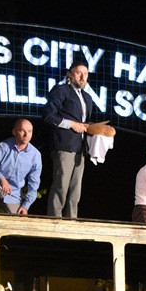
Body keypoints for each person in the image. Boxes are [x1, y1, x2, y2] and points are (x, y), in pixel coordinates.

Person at [43, 61, 99, 218]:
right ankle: (54, 219)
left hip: (81, 148)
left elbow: (84, 123)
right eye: (79, 73)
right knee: (61, 185)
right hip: (64, 145)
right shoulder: (62, 90)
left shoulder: (87, 97)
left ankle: (71, 221)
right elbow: (48, 116)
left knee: (76, 190)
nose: (83, 77)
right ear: (70, 74)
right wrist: (72, 124)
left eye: (86, 73)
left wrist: (95, 129)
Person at [0, 119, 41, 215]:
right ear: (14, 132)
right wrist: (1, 178)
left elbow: (34, 184)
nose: (26, 135)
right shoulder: (4, 146)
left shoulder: (35, 155)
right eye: (22, 131)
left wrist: (25, 205)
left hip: (13, 195)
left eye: (30, 131)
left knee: (18, 222)